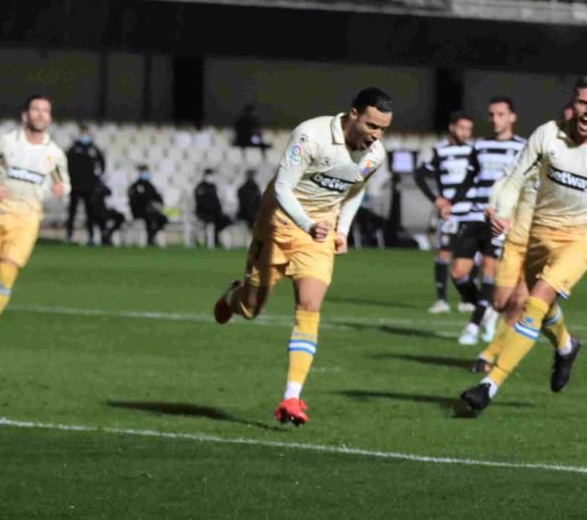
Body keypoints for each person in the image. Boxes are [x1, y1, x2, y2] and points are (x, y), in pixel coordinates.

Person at [456, 76, 587, 416]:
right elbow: (514, 180)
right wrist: (504, 213)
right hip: (540, 232)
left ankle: (488, 386)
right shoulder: (546, 135)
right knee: (542, 302)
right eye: (583, 103)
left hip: (585, 237)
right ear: (574, 102)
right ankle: (566, 346)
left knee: (534, 303)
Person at [212, 87, 391, 426]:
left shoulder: (375, 153)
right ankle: (234, 296)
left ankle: (291, 397)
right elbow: (281, 188)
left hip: (319, 232)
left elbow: (356, 189)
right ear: (353, 115)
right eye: (371, 126)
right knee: (252, 307)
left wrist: (341, 230)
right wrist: (307, 223)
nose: (376, 136)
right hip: (280, 222)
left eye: (383, 128)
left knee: (309, 306)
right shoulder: (311, 135)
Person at [472, 102, 575, 375]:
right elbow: (508, 180)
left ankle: (490, 355)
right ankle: (565, 342)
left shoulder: (582, 167)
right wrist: (496, 205)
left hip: (545, 246)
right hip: (515, 240)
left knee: (523, 301)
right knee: (501, 302)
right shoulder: (538, 151)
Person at [0, 94, 70, 348]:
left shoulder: (54, 153)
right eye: (35, 109)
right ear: (25, 115)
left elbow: (64, 182)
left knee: (7, 272)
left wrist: (62, 189)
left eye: (45, 110)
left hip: (28, 220)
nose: (40, 114)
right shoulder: (7, 142)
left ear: (50, 117)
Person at [452, 97, 526, 346]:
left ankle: (473, 325)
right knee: (459, 273)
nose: (495, 119)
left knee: (488, 269)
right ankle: (486, 311)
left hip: (502, 221)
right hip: (476, 216)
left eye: (501, 114)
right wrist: (448, 204)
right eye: (492, 115)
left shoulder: (523, 148)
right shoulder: (480, 146)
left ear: (512, 117)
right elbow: (468, 180)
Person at [414, 111, 474, 314]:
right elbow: (420, 176)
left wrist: (456, 201)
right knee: (444, 252)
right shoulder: (439, 151)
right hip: (448, 214)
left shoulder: (473, 152)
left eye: (469, 129)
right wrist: (437, 200)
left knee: (469, 255)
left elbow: (471, 181)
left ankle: (467, 299)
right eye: (462, 128)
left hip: (469, 211)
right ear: (452, 127)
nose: (465, 133)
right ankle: (442, 301)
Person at [65, 124, 105, 245]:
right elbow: (65, 165)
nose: (85, 135)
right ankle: (69, 236)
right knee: (72, 212)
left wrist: (96, 178)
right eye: (83, 133)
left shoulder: (94, 149)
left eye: (86, 133)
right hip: (75, 185)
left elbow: (102, 165)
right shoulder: (73, 148)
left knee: (90, 213)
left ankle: (91, 237)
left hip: (89, 187)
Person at [127, 165, 168, 246]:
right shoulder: (135, 186)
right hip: (139, 211)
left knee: (163, 218)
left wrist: (159, 204)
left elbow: (157, 197)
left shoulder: (150, 185)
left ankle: (152, 234)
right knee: (150, 217)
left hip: (152, 211)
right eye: (143, 172)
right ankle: (150, 237)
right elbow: (134, 199)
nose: (145, 174)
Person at [194, 168, 232, 246]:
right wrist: (211, 208)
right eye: (210, 175)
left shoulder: (213, 186)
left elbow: (216, 201)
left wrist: (218, 209)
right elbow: (201, 203)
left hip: (214, 212)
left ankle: (216, 240)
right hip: (203, 213)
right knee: (211, 221)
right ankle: (211, 241)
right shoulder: (200, 187)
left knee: (225, 220)